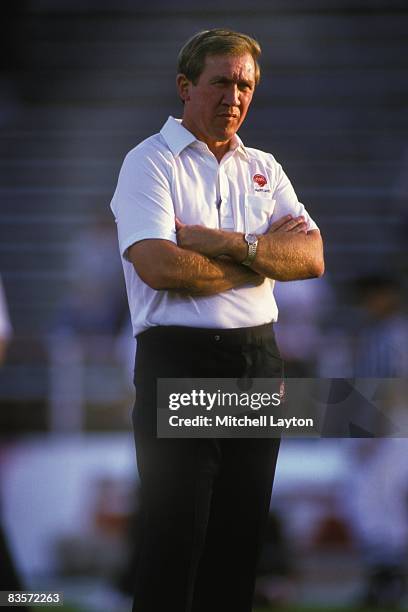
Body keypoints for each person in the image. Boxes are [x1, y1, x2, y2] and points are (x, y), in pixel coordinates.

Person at [110, 28, 324, 612]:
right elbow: (159, 265)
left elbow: (311, 257)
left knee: (240, 539)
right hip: (181, 358)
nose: (235, 96)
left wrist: (223, 242)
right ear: (185, 87)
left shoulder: (264, 166)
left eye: (246, 85)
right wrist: (258, 259)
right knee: (177, 537)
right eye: (222, 82)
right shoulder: (149, 162)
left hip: (257, 358)